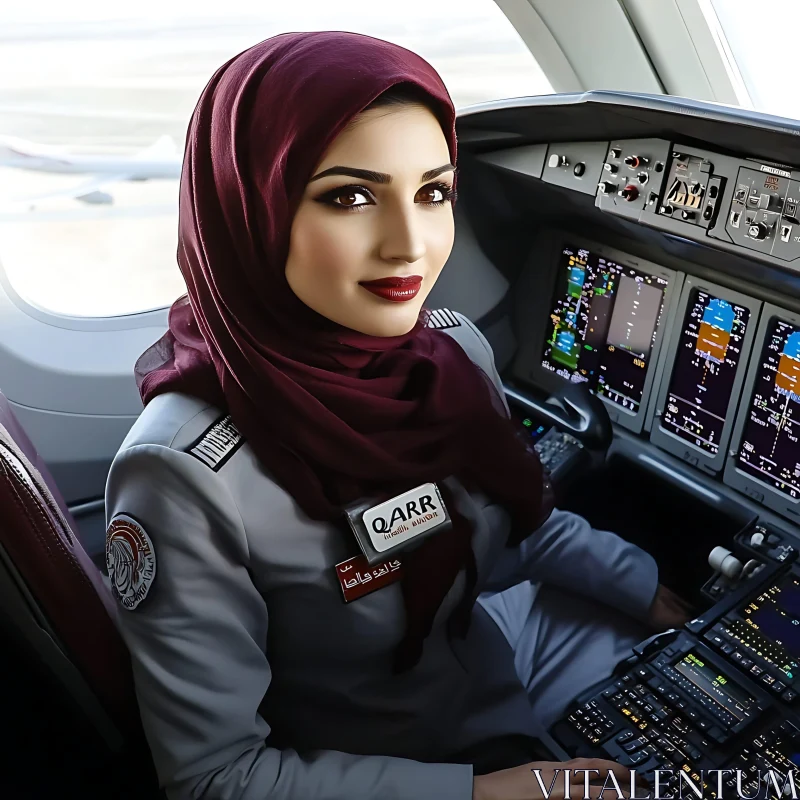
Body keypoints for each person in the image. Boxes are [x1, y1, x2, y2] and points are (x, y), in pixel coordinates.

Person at [104, 31, 693, 800]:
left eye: (433, 192)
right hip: (386, 763)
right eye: (350, 196)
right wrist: (481, 794)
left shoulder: (448, 358)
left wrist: (642, 586)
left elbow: (516, 516)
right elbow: (217, 779)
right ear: (251, 206)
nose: (410, 244)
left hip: (483, 658)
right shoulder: (183, 478)